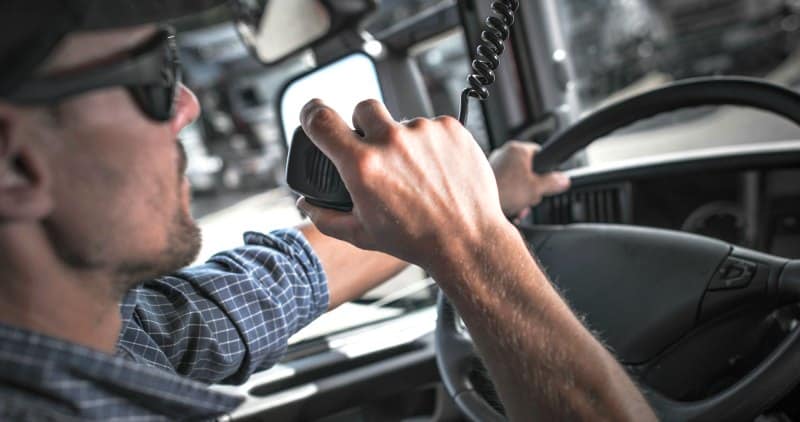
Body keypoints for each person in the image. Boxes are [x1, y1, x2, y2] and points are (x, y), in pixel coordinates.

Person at [0, 1, 586, 420]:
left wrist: (470, 201)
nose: (191, 107)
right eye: (155, 75)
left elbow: (250, 296)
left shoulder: (113, 335)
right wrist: (475, 243)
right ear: (13, 163)